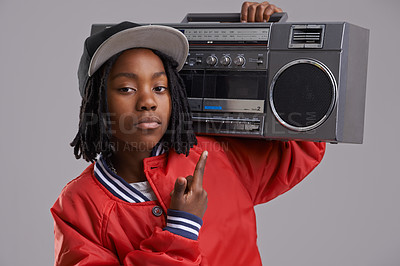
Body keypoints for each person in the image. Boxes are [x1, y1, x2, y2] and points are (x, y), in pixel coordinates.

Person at [51, 2, 325, 265]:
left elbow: (303, 144)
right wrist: (181, 229)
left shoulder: (216, 156)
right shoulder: (78, 205)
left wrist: (280, 45)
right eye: (127, 89)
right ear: (96, 101)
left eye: (160, 87)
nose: (148, 101)